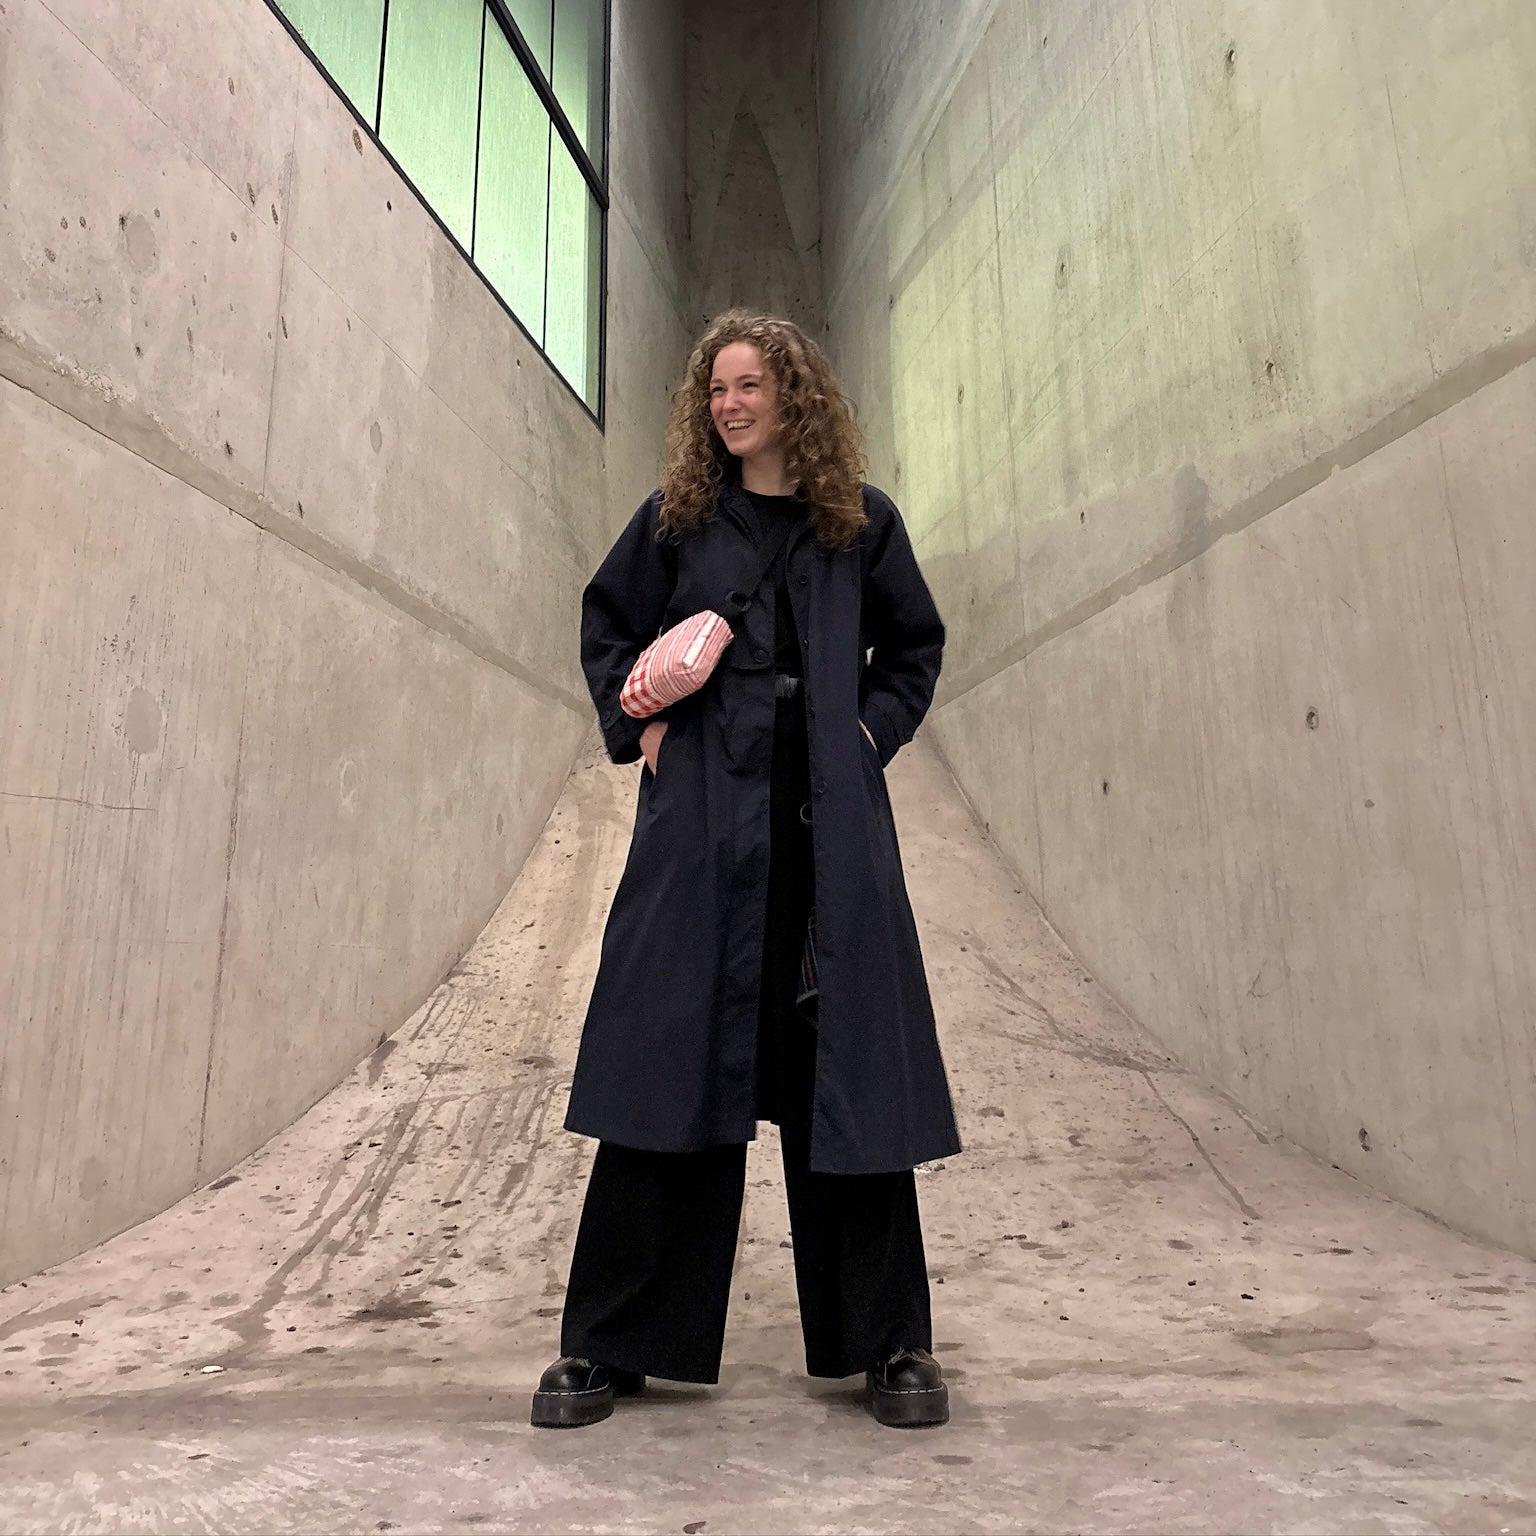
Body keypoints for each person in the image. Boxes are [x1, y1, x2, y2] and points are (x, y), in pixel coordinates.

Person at [531, 310, 960, 1431]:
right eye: (715, 388)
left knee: (844, 1078)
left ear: (793, 395)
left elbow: (914, 648)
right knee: (671, 1063)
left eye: (749, 385)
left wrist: (866, 734)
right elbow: (606, 624)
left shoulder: (859, 523)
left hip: (828, 844)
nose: (728, 404)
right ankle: (613, 1344)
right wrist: (645, 730)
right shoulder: (676, 521)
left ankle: (889, 1342)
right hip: (705, 835)